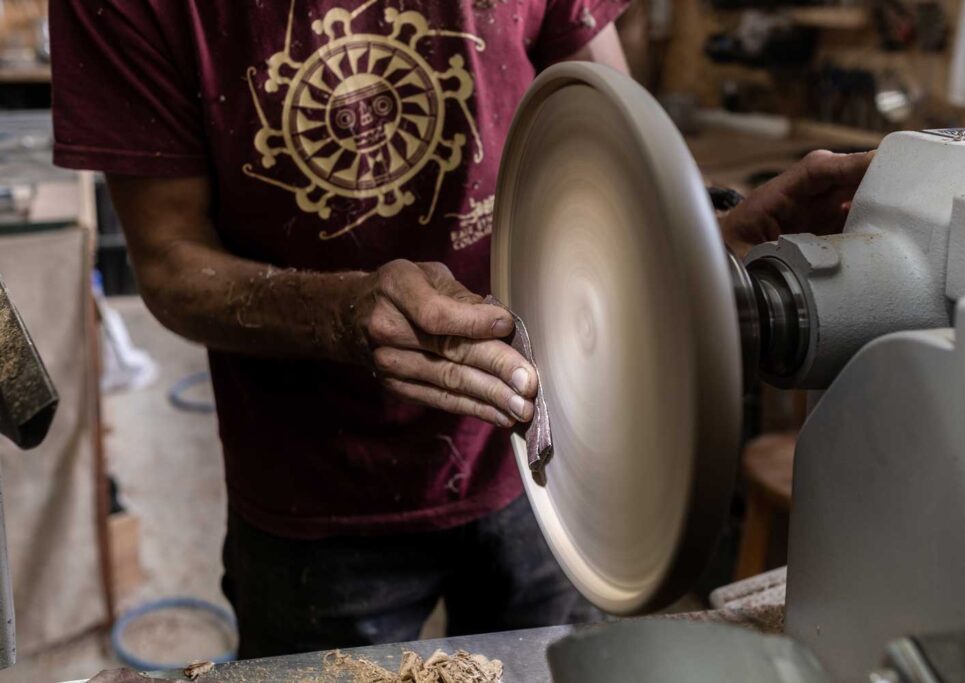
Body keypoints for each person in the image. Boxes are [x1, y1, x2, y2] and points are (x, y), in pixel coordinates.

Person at [49, 0, 873, 659]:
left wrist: (702, 239)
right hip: (315, 487)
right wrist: (339, 311)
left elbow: (620, 133)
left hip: (556, 453)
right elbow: (164, 260)